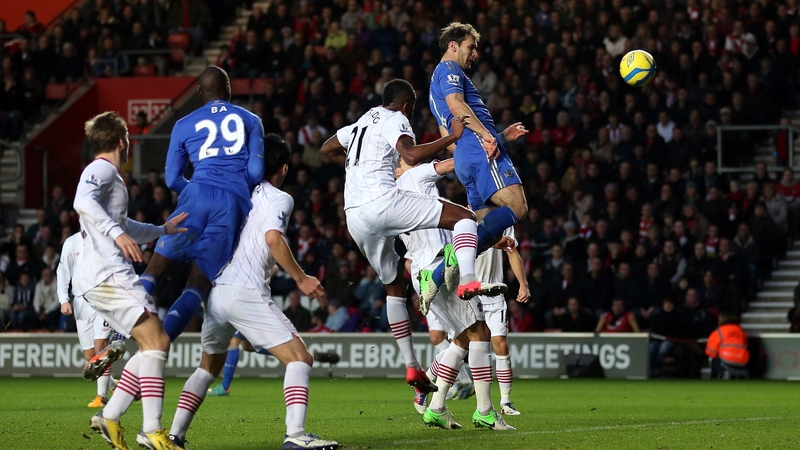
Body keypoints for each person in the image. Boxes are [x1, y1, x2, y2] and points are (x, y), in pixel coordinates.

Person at [320, 79, 506, 393]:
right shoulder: (398, 118)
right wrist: (452, 135)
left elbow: (327, 149)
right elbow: (410, 152)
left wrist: (356, 169)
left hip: (354, 214)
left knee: (393, 286)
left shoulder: (363, 121)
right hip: (383, 202)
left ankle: (412, 366)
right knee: (463, 217)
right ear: (408, 103)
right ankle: (469, 280)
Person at [167, 134, 338, 449]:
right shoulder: (279, 198)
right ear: (284, 168)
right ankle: (296, 436)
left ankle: (174, 436)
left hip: (216, 293)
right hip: (245, 292)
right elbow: (273, 238)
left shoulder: (236, 193)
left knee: (208, 367)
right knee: (300, 358)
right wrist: (301, 278)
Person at [74, 111, 187, 450]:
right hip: (107, 273)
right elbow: (83, 202)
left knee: (151, 346)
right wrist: (114, 233)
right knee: (158, 343)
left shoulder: (111, 177)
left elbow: (122, 225)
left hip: (101, 276)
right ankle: (152, 430)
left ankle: (111, 416)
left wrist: (159, 231)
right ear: (124, 141)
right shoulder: (102, 169)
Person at [139, 66, 265, 343]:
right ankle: (155, 349)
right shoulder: (251, 119)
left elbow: (172, 179)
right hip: (231, 204)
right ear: (229, 90)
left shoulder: (183, 124)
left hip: (194, 197)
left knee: (155, 270)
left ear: (199, 92)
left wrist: (196, 188)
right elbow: (256, 174)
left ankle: (115, 332)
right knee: (197, 284)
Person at [396, 157, 515, 431]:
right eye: (406, 158)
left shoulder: (388, 200)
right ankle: (485, 411)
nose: (413, 158)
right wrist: (492, 143)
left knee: (461, 340)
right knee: (480, 333)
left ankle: (435, 405)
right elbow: (458, 160)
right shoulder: (413, 177)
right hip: (439, 268)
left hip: (422, 272)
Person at [427, 22, 529, 291]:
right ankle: (442, 269)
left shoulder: (434, 84)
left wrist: (501, 136)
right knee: (518, 207)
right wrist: (489, 137)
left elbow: (448, 139)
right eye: (471, 47)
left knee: (484, 228)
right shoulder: (449, 70)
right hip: (479, 150)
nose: (475, 54)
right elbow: (456, 105)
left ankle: (440, 274)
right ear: (453, 45)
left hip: (464, 156)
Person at [58, 232, 120, 407]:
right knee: (90, 356)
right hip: (80, 302)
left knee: (101, 348)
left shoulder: (106, 239)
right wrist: (64, 299)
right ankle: (116, 386)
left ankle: (102, 397)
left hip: (103, 299)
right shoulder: (71, 243)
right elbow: (63, 271)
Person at [474, 227, 530, 416]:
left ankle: (505, 402)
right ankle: (429, 386)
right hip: (469, 294)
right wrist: (496, 240)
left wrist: (523, 284)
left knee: (501, 344)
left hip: (494, 292)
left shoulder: (503, 221)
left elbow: (512, 251)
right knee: (460, 347)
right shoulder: (465, 216)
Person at [705, 311, 750, 378]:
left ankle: (714, 380)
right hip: (743, 362)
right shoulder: (742, 331)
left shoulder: (719, 331)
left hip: (726, 362)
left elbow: (710, 352)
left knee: (714, 360)